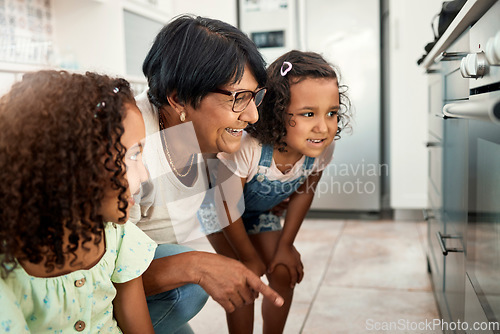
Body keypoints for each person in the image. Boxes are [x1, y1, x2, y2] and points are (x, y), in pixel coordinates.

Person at [130, 15, 284, 333]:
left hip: (144, 287)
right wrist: (197, 267)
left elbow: (207, 211)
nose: (253, 115)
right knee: (187, 288)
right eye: (238, 97)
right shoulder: (131, 147)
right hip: (86, 302)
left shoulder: (202, 135)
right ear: (178, 97)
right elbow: (97, 271)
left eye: (255, 96)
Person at [206, 50, 352, 333]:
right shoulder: (247, 148)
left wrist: (286, 245)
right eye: (308, 113)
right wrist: (248, 258)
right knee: (245, 280)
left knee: (283, 273)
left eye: (332, 113)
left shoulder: (320, 149)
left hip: (256, 213)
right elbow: (226, 207)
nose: (323, 127)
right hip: (220, 216)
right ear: (276, 110)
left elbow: (304, 192)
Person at [0, 70, 156, 333]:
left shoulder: (117, 235)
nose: (144, 175)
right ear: (72, 165)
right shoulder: (8, 268)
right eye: (132, 156)